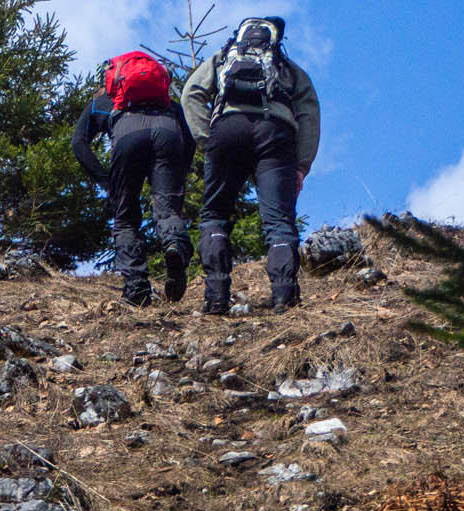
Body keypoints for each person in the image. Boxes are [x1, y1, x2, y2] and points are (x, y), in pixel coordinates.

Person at [181, 16, 320, 314]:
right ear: (274, 40)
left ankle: (216, 296)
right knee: (279, 221)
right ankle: (284, 297)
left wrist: (207, 139)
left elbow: (191, 93)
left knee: (216, 214)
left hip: (228, 130)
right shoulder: (288, 69)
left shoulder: (222, 58)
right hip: (275, 135)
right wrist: (301, 165)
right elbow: (309, 115)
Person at [71, 51, 194, 306]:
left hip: (127, 136)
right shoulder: (168, 103)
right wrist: (179, 172)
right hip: (168, 132)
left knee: (125, 219)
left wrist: (105, 180)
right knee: (168, 210)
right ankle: (174, 246)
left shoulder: (103, 101)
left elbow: (79, 143)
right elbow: (189, 140)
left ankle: (136, 287)